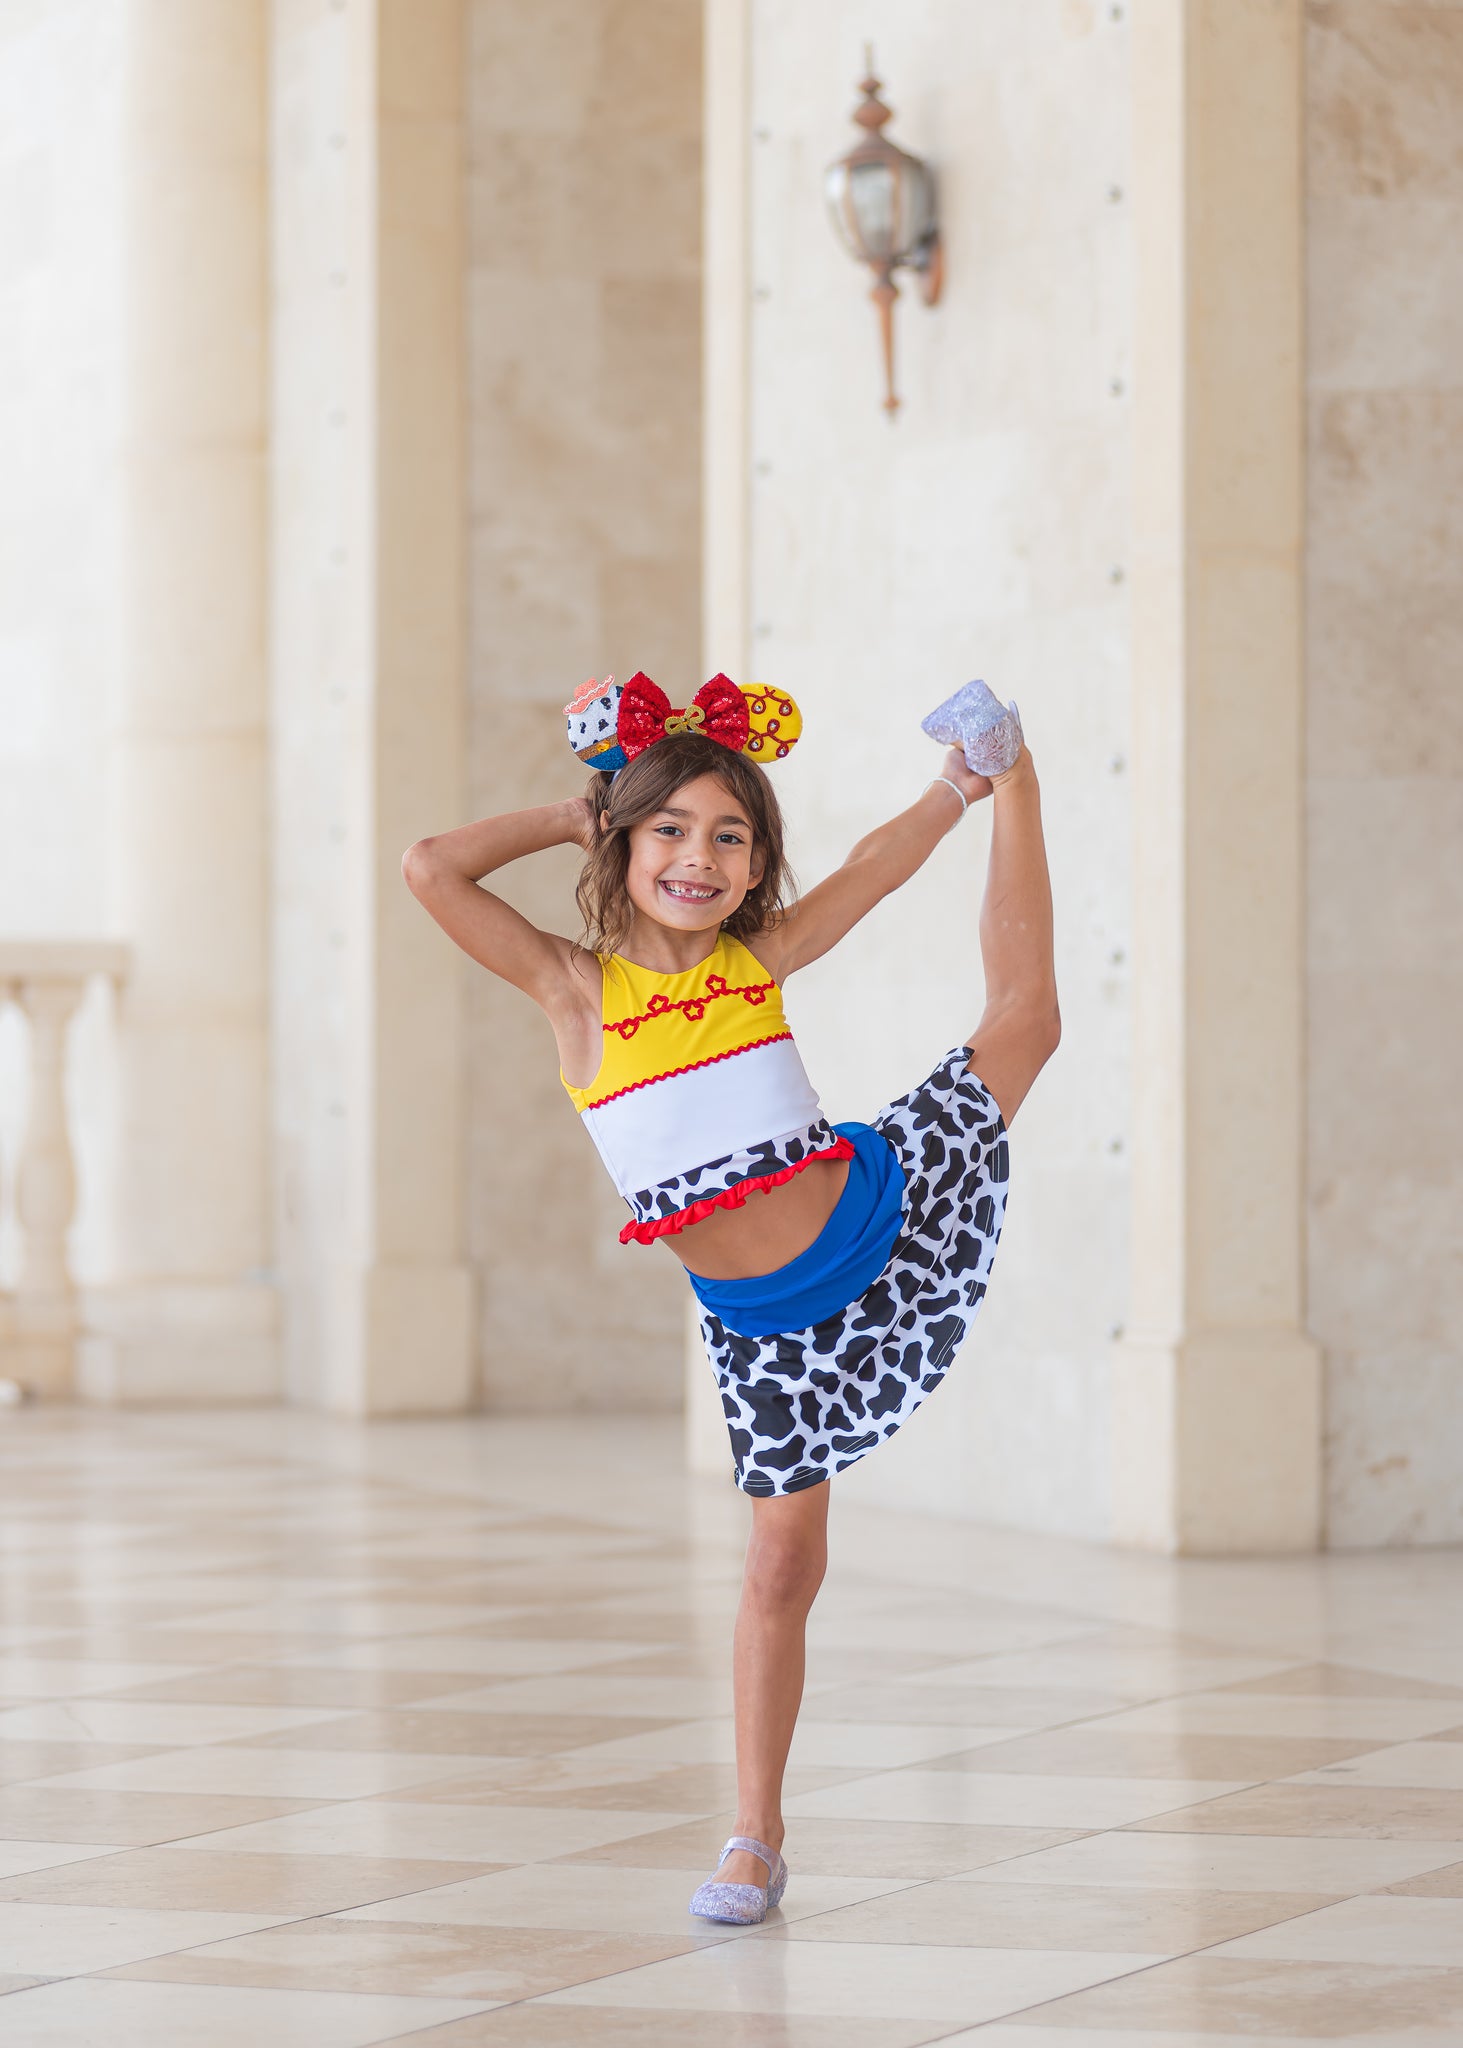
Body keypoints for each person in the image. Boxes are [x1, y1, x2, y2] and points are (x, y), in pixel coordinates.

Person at [402, 672, 1059, 1926]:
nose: (698, 858)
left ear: (754, 865)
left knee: (1026, 1020)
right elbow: (430, 867)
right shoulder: (578, 993)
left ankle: (1014, 768)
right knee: (778, 1567)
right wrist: (575, 813)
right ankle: (755, 1833)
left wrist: (956, 788)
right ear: (623, 841)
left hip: (871, 1214)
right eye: (670, 830)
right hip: (764, 1327)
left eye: (729, 836)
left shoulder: (758, 958)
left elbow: (871, 869)